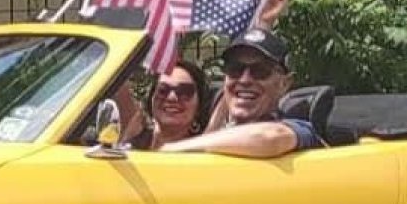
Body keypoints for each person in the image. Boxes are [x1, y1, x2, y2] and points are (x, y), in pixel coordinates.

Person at [159, 28, 321, 158]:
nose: (244, 80)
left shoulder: (300, 130)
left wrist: (169, 151)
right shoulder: (218, 134)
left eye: (260, 71)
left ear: (284, 84)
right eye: (235, 69)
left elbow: (268, 137)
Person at [135, 58, 210, 150]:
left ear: (199, 105)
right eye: (163, 90)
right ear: (151, 98)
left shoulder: (209, 150)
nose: (172, 98)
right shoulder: (132, 146)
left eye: (184, 91)